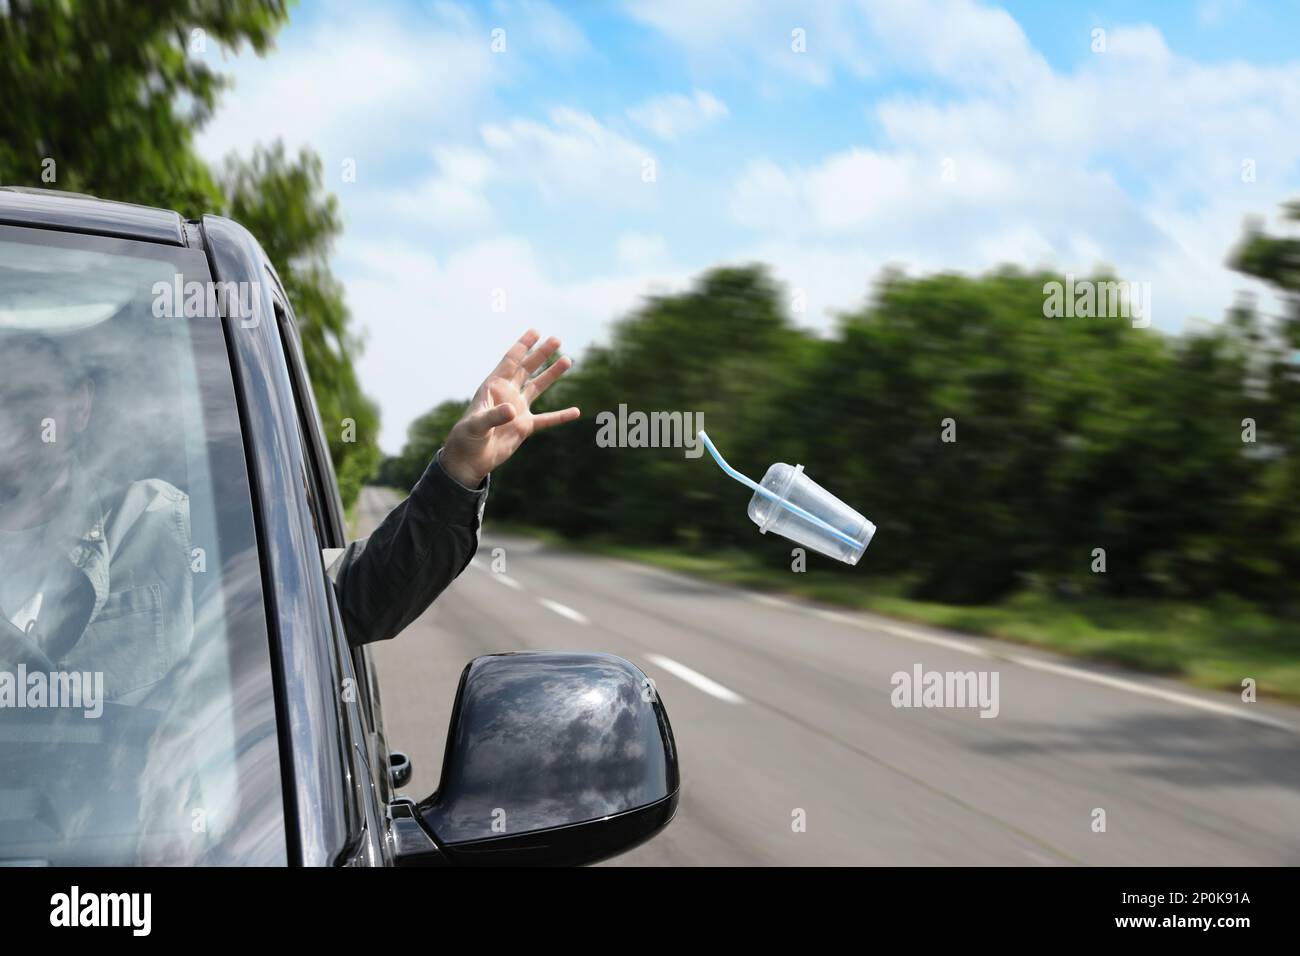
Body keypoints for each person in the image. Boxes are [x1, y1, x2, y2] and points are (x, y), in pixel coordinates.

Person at [0, 326, 577, 699]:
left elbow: (355, 595)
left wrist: (457, 473)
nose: (9, 424)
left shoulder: (158, 525)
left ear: (79, 407)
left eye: (27, 399)